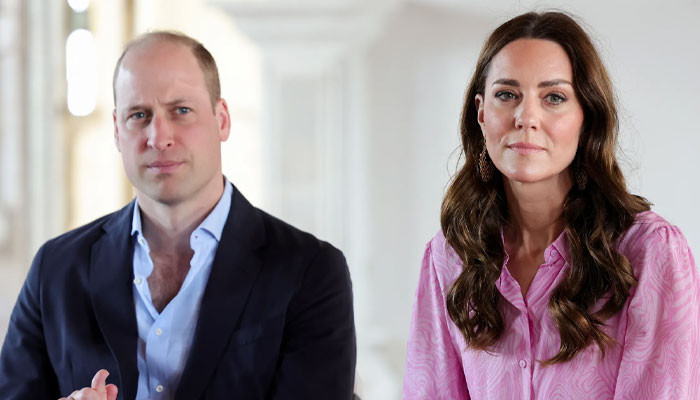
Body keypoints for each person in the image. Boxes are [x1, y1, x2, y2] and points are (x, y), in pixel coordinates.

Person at [0, 31, 356, 400]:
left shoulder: (310, 272)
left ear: (222, 120)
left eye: (181, 111)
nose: (159, 137)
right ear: (117, 131)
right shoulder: (55, 268)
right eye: (139, 115)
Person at [403, 11, 700, 399]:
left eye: (554, 97)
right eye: (507, 95)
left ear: (586, 118)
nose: (526, 117)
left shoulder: (650, 252)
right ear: (481, 113)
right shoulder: (449, 257)